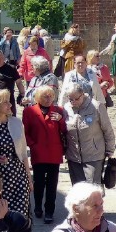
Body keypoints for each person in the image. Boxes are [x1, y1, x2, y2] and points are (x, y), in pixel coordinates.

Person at [23, 85, 67, 223]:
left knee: (52, 185)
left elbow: (65, 130)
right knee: (39, 182)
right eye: (45, 96)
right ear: (38, 98)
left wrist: (60, 120)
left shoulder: (58, 110)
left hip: (54, 152)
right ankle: (37, 207)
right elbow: (26, 132)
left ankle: (49, 211)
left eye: (50, 96)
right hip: (39, 152)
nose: (48, 99)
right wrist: (32, 145)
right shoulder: (29, 111)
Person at [63, 83, 115, 186]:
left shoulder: (96, 106)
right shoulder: (66, 108)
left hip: (94, 155)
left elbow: (108, 130)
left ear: (82, 95)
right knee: (78, 190)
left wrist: (110, 150)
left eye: (76, 99)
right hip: (74, 156)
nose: (73, 102)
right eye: (70, 99)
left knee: (93, 189)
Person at [0, 50, 25, 116]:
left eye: (0, 59)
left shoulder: (11, 68)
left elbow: (19, 82)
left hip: (8, 98)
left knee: (10, 118)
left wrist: (22, 94)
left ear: (3, 57)